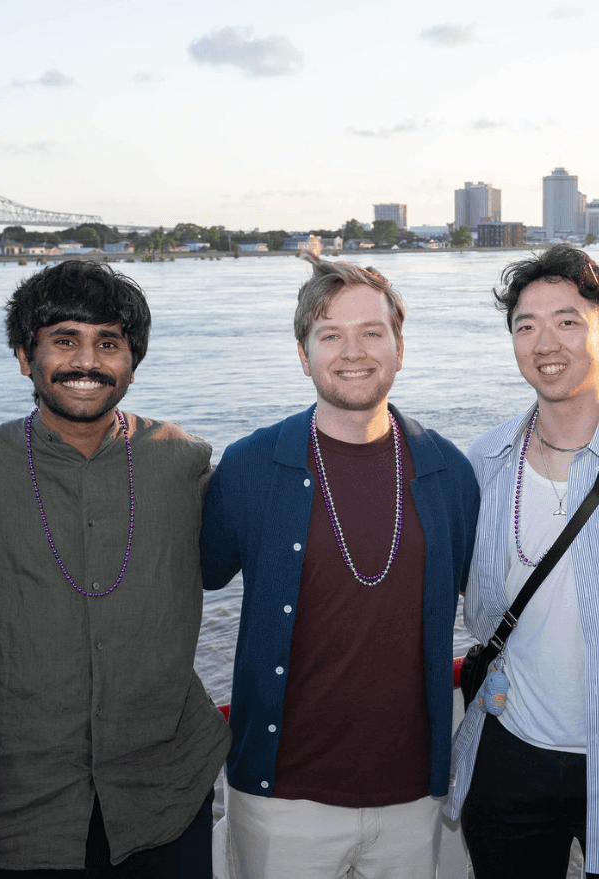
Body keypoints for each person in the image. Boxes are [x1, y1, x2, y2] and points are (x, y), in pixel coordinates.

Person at [0, 260, 228, 879]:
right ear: (25, 357)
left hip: (165, 801)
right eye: (63, 341)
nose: (87, 362)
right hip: (18, 815)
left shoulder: (182, 464)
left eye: (108, 343)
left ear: (133, 361)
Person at [200, 257, 478, 878]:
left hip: (414, 793)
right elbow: (182, 580)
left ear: (400, 348)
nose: (353, 351)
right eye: (330, 335)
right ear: (303, 356)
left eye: (371, 332)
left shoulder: (447, 471)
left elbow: (481, 597)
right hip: (281, 795)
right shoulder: (250, 467)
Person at [446, 244, 599, 879]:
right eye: (524, 326)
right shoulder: (486, 458)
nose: (543, 341)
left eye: (566, 320)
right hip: (511, 746)